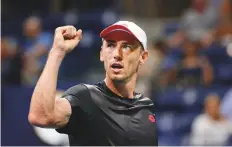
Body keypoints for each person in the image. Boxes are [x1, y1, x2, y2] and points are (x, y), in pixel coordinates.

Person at [28, 21, 158, 146]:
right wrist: (57, 52)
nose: (117, 54)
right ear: (102, 54)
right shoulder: (85, 97)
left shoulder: (146, 109)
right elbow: (40, 116)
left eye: (126, 46)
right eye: (111, 45)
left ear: (143, 57)